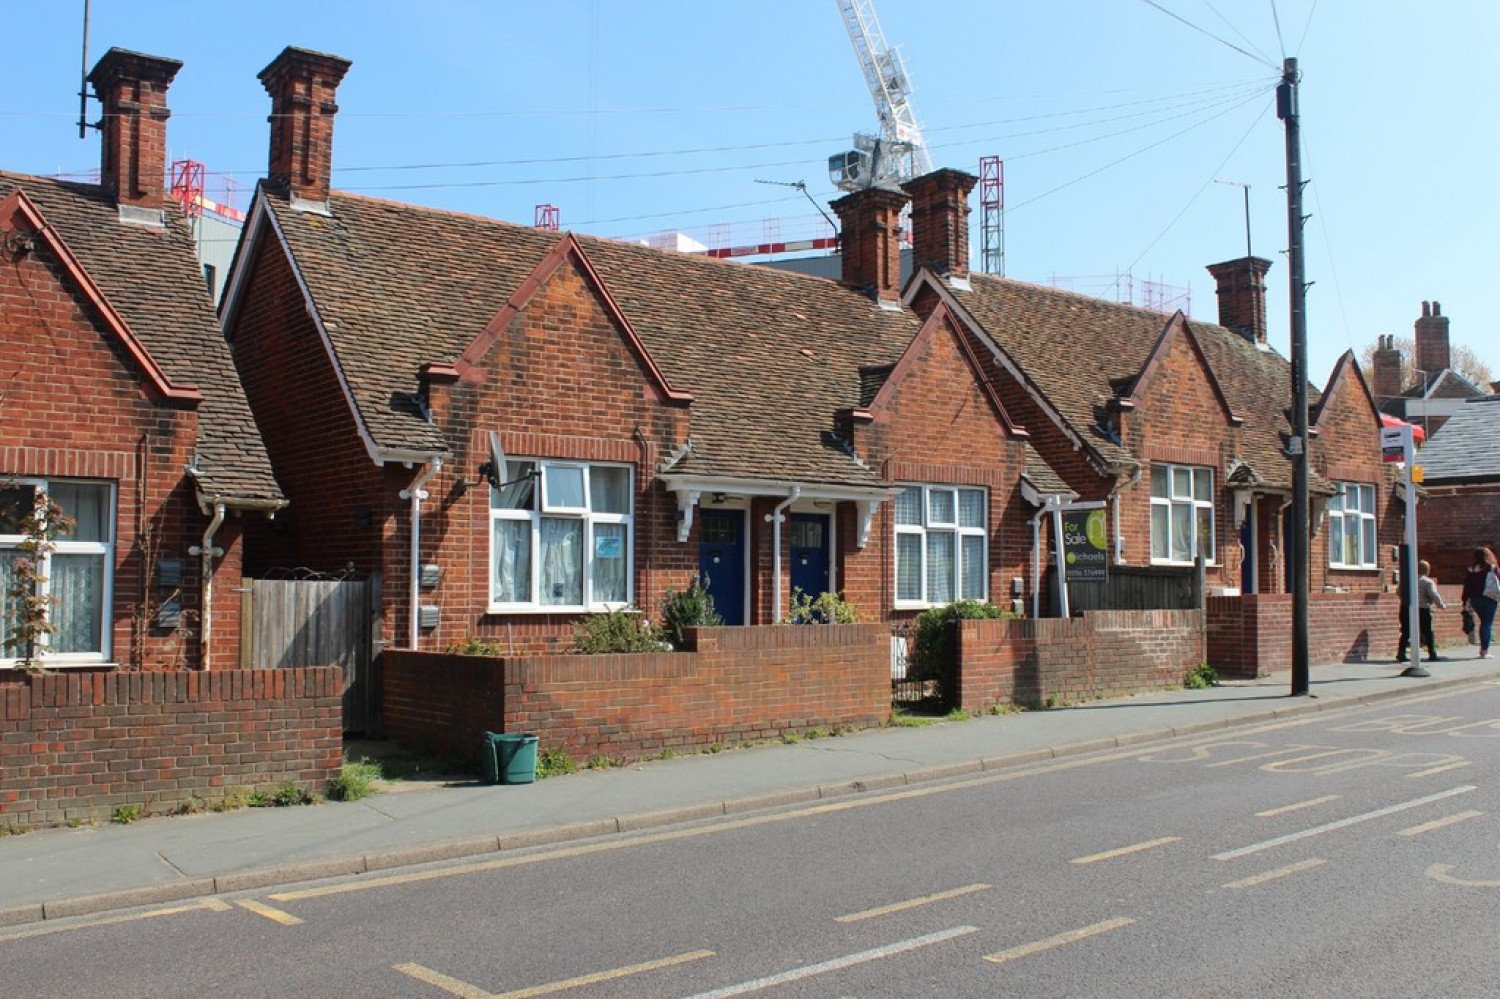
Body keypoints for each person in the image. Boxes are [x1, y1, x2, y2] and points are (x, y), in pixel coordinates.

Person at [1398, 559, 1446, 661]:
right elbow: (1433, 594)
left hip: (1406, 607)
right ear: (1427, 570)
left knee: (1406, 631)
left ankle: (1401, 653)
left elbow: (1398, 591)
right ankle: (1432, 653)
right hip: (1423, 608)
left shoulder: (1407, 579)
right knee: (1427, 631)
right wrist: (1441, 605)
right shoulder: (1427, 581)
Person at [1460, 546, 1500, 660]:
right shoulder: (1492, 568)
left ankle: (1483, 649)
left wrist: (1464, 600)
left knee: (1484, 622)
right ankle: (1484, 650)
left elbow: (1466, 586)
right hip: (1490, 598)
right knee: (1487, 624)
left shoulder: (1471, 569)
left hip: (1475, 599)